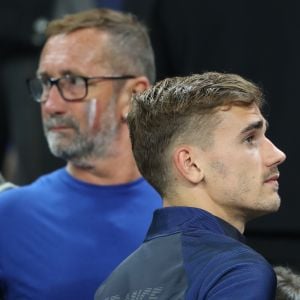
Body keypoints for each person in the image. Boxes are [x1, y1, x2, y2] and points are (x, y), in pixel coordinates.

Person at [0, 8, 161, 300]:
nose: (51, 105)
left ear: (134, 95)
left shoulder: (189, 212)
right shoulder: (8, 216)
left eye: (73, 81)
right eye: (45, 83)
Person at [95, 72, 286, 299]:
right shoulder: (238, 272)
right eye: (249, 139)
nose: (277, 155)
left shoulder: (112, 287)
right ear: (191, 164)